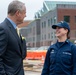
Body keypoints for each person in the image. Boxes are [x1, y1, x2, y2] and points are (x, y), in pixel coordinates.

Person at [0, 1, 26, 75]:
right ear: (18, 13)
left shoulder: (15, 30)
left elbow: (21, 55)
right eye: (24, 12)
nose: (25, 15)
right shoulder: (3, 29)